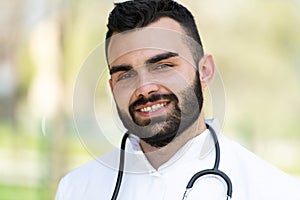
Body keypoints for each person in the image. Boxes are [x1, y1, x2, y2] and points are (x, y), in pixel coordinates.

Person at [56, 0, 300, 199]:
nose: (144, 88)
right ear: (112, 87)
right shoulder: (76, 189)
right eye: (126, 74)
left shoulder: (275, 191)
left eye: (163, 65)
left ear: (204, 71)